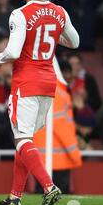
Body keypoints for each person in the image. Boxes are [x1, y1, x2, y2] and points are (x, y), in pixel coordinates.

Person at [0, 0, 80, 205]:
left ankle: (48, 186)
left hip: (26, 82)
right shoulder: (59, 11)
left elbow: (13, 51)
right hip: (48, 82)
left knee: (21, 138)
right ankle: (15, 196)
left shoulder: (19, 14)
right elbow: (74, 42)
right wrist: (55, 38)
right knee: (26, 138)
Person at [33, 59, 83, 194]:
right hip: (58, 160)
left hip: (40, 158)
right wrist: (75, 155)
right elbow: (61, 127)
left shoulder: (40, 91)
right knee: (58, 202)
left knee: (40, 198)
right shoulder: (59, 94)